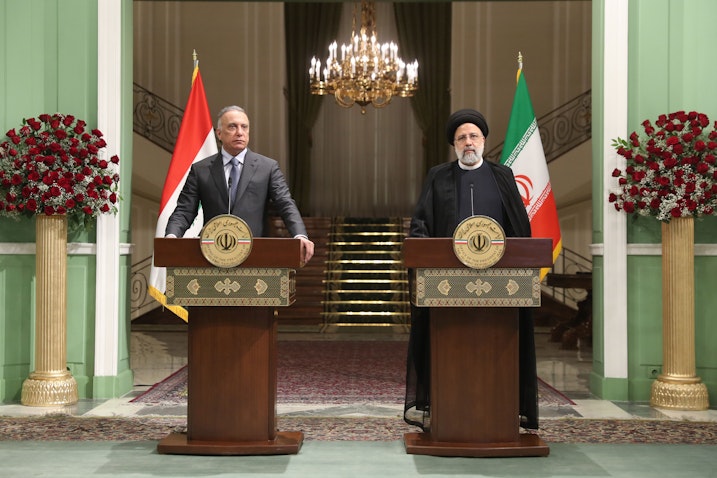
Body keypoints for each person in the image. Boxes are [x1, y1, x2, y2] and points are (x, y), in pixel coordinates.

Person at [403, 108, 538, 431]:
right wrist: (422, 248)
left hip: (500, 282)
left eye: (473, 136)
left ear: (484, 141)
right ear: (454, 144)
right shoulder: (439, 175)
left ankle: (503, 413)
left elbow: (520, 226)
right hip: (449, 282)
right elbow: (421, 221)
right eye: (461, 137)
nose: (468, 142)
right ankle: (447, 412)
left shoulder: (502, 175)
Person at [165, 105, 314, 263]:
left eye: (244, 127)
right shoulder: (201, 169)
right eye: (232, 127)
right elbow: (184, 210)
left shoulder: (267, 167)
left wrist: (299, 235)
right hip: (212, 255)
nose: (240, 132)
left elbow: (285, 204)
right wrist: (171, 236)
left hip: (256, 254)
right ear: (219, 133)